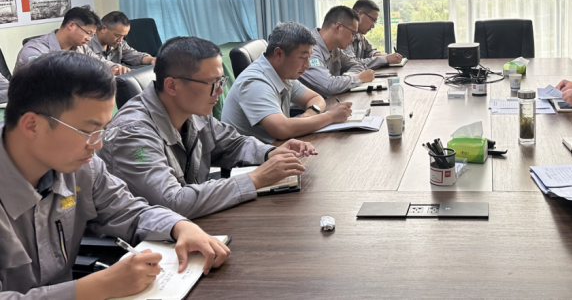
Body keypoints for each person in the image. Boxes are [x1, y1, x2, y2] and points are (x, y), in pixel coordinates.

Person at [0, 51, 229, 300]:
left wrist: (179, 226)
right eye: (88, 131)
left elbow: (130, 211)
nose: (97, 145)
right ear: (32, 125)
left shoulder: (83, 168)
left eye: (103, 130)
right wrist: (94, 287)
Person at [100, 37, 314, 220]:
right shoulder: (132, 133)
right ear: (172, 86)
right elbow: (172, 202)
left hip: (192, 226)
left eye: (221, 81)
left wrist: (271, 153)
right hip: (142, 246)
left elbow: (233, 144)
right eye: (212, 83)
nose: (219, 91)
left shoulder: (193, 110)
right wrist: (256, 178)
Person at [222, 22, 353, 144]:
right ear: (279, 53)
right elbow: (281, 129)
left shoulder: (282, 73)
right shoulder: (255, 82)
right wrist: (330, 117)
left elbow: (315, 98)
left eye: (309, 58)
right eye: (303, 57)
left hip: (276, 149)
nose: (307, 65)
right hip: (251, 159)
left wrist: (310, 113)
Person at [15, 5, 128, 76]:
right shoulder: (34, 50)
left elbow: (98, 61)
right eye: (88, 33)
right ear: (71, 26)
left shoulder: (80, 47)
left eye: (92, 35)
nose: (89, 38)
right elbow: (46, 82)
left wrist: (114, 67)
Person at [299, 6, 375, 97]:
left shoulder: (335, 49)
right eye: (352, 33)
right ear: (338, 27)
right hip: (308, 106)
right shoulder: (310, 49)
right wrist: (359, 78)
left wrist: (347, 77)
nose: (352, 39)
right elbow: (329, 86)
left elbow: (357, 65)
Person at [345, 0, 403, 69]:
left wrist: (378, 54)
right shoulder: (344, 35)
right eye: (373, 20)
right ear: (360, 14)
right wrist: (385, 59)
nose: (373, 26)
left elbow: (369, 51)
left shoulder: (359, 34)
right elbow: (352, 64)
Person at [89, 11, 156, 67]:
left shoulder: (118, 43)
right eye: (118, 35)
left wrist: (152, 60)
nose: (120, 40)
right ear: (104, 29)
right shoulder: (86, 44)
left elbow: (132, 55)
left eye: (123, 36)